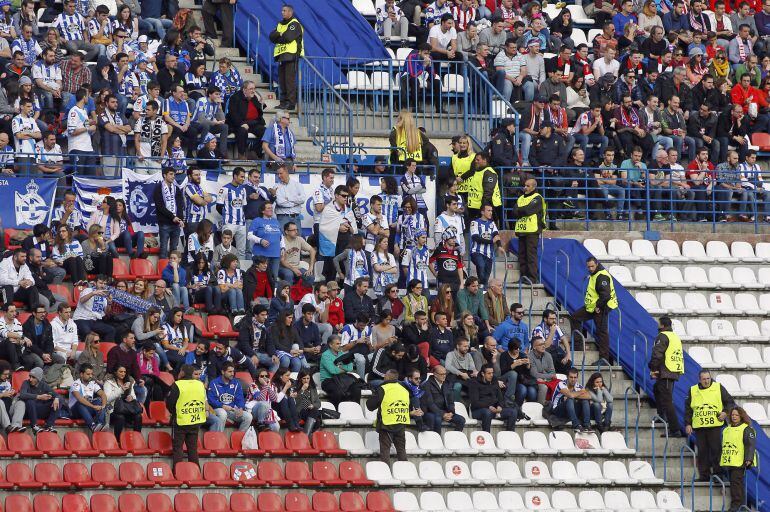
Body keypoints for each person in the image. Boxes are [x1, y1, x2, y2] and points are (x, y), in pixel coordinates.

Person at [686, 369, 736, 481]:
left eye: (708, 378)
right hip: (699, 427)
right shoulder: (693, 390)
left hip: (715, 426)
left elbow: (729, 402)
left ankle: (718, 475)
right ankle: (704, 475)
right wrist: (688, 424)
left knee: (716, 451)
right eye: (704, 379)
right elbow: (688, 409)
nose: (706, 381)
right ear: (699, 379)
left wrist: (725, 412)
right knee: (702, 452)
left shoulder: (718, 387)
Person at [570, 257, 617, 366]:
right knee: (575, 317)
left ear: (597, 264)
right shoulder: (595, 274)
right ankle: (578, 346)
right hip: (592, 307)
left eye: (592, 266)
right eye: (588, 267)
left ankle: (604, 359)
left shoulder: (601, 276)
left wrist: (598, 306)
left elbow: (606, 295)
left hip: (602, 307)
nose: (590, 268)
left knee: (602, 332)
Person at [649, 316, 685, 437]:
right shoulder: (675, 337)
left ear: (663, 326)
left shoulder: (663, 336)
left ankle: (675, 430)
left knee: (667, 401)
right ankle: (661, 416)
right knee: (657, 390)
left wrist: (653, 367)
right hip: (672, 371)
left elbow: (657, 353)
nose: (657, 325)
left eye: (658, 323)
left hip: (666, 371)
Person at [166, 364, 206, 470]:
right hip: (196, 420)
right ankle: (196, 472)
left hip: (181, 421)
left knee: (178, 448)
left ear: (182, 373)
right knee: (192, 449)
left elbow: (170, 403)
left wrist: (173, 412)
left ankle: (178, 472)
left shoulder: (177, 384)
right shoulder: (200, 384)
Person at [366, 369, 411, 464]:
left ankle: (385, 473)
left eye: (385, 375)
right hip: (401, 422)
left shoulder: (383, 388)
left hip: (387, 423)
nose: (384, 377)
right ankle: (405, 473)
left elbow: (370, 406)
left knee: (385, 451)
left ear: (388, 377)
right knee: (401, 451)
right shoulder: (404, 390)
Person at [721, 406, 757, 512]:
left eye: (736, 415)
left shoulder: (747, 429)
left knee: (736, 483)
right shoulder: (727, 429)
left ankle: (736, 505)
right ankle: (742, 506)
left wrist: (748, 459)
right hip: (729, 461)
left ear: (741, 416)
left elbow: (750, 445)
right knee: (737, 484)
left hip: (739, 461)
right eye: (732, 415)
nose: (734, 417)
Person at [270, 5, 303, 110]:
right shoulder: (280, 24)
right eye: (282, 11)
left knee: (289, 81)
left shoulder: (294, 24)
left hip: (291, 55)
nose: (282, 12)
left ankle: (291, 103)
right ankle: (283, 102)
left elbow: (288, 37)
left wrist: (279, 36)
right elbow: (271, 36)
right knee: (282, 81)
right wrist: (281, 34)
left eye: (284, 11)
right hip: (281, 56)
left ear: (290, 12)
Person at [512, 178, 545, 283]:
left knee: (531, 255)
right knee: (522, 255)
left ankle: (532, 278)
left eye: (528, 186)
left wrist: (521, 210)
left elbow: (527, 210)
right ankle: (523, 277)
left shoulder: (537, 198)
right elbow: (514, 212)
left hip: (532, 230)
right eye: (525, 185)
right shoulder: (521, 198)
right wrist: (522, 210)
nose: (525, 187)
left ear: (534, 187)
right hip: (522, 230)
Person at [470, 363, 518, 432]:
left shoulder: (494, 380)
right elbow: (475, 402)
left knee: (513, 412)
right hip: (479, 411)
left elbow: (500, 397)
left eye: (492, 373)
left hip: (494, 410)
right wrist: (488, 407)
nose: (491, 375)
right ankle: (487, 436)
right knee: (487, 412)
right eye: (489, 373)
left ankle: (509, 436)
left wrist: (499, 406)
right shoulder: (474, 383)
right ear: (483, 374)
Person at [208, 361, 253, 432]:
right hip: (217, 409)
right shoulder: (214, 383)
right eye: (230, 372)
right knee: (222, 413)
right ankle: (219, 438)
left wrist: (241, 408)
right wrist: (222, 406)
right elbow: (211, 400)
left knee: (248, 417)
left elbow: (240, 398)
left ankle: (239, 438)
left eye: (233, 371)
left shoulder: (236, 383)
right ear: (223, 372)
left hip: (231, 410)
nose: (232, 374)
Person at [319, 335, 362, 406]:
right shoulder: (325, 355)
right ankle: (336, 412)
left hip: (342, 379)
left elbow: (350, 368)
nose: (339, 346)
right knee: (338, 392)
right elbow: (333, 371)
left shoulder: (342, 353)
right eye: (337, 344)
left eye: (340, 343)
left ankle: (353, 410)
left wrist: (339, 367)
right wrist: (343, 368)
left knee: (356, 390)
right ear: (330, 345)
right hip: (328, 380)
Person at [420, 365, 465, 433]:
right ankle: (438, 440)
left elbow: (451, 401)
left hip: (446, 412)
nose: (444, 376)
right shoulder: (426, 385)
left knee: (461, 420)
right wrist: (443, 414)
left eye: (445, 374)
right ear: (435, 374)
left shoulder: (447, 384)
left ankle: (454, 439)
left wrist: (451, 412)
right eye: (441, 374)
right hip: (432, 412)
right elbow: (430, 404)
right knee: (437, 420)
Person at [103, 365, 142, 439]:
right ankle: (117, 440)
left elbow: (134, 396)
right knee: (120, 417)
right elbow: (107, 399)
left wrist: (131, 397)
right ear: (115, 372)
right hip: (113, 410)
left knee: (138, 416)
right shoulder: (108, 382)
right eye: (120, 371)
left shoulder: (128, 382)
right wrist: (121, 390)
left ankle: (137, 438)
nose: (123, 373)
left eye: (124, 372)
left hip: (126, 409)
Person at [73, 274, 115, 342]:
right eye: (100, 283)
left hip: (94, 321)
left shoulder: (104, 296)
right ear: (95, 283)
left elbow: (106, 312)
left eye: (104, 283)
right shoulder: (88, 290)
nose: (103, 285)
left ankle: (106, 350)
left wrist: (109, 303)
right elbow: (82, 300)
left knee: (111, 330)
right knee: (88, 333)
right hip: (81, 319)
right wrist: (93, 293)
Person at [551, 368, 592, 433]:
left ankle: (587, 425)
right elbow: (570, 395)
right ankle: (576, 425)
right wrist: (580, 393)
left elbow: (589, 396)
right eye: (571, 377)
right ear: (567, 377)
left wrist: (574, 395)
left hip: (570, 411)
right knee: (570, 399)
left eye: (575, 377)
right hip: (558, 410)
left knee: (585, 400)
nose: (573, 379)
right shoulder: (561, 384)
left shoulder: (579, 386)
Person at [19, 366, 60, 433]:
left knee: (59, 400)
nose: (30, 379)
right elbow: (22, 395)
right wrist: (39, 397)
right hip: (28, 412)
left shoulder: (43, 385)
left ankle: (49, 426)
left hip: (40, 410)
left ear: (39, 378)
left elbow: (55, 394)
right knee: (30, 401)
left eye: (33, 377)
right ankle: (34, 426)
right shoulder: (26, 383)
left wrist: (56, 398)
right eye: (30, 377)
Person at [70, 363, 107, 432]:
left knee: (99, 401)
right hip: (75, 411)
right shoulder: (75, 384)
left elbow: (102, 394)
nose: (90, 376)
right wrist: (93, 406)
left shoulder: (93, 383)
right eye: (88, 374)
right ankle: (92, 426)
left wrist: (103, 405)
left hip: (88, 409)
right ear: (81, 374)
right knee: (79, 403)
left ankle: (101, 424)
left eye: (91, 374)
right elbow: (79, 398)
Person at [294, 370, 322, 434]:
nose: (306, 380)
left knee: (315, 411)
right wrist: (302, 390)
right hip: (300, 410)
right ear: (300, 379)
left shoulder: (312, 388)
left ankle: (306, 434)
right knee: (317, 421)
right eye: (304, 378)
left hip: (310, 409)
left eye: (308, 378)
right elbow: (296, 402)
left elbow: (318, 403)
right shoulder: (295, 387)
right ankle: (307, 435)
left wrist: (312, 405)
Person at [0, 361, 25, 433]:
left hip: (7, 410)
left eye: (8, 374)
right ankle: (7, 427)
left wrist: (13, 394)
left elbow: (9, 398)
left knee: (21, 403)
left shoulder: (7, 382)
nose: (7, 376)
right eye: (5, 374)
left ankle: (15, 426)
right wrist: (2, 395)